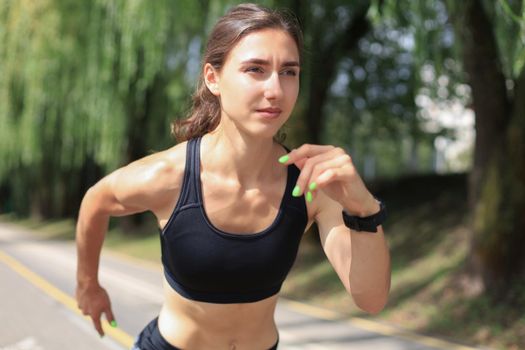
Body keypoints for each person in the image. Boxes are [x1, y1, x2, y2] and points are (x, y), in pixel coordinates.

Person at [75, 3, 391, 350]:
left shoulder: (311, 185)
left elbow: (371, 299)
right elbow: (97, 200)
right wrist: (87, 283)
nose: (275, 90)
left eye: (289, 72)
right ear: (214, 78)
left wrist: (363, 209)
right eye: (255, 69)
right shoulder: (170, 175)